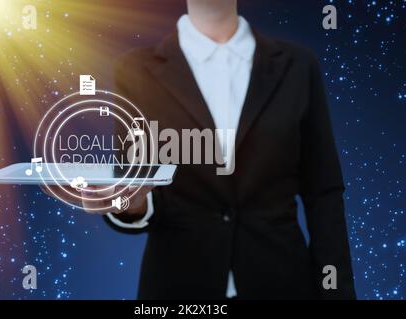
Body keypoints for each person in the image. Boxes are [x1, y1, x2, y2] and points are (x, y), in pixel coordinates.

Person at [49, 0, 356, 299]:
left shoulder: (298, 65)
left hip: (283, 283)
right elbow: (136, 186)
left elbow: (323, 192)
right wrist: (130, 204)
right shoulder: (135, 71)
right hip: (177, 287)